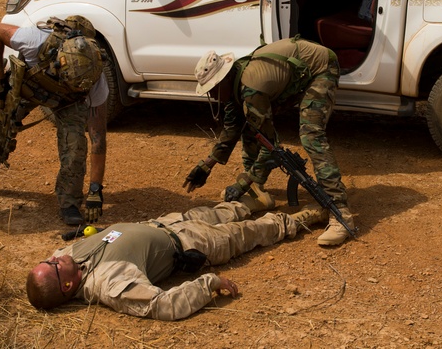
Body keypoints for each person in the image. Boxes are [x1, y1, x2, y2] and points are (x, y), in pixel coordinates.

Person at [183, 38, 356, 247]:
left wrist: (242, 183)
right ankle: (258, 191)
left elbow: (269, 145)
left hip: (320, 67)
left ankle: (340, 212)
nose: (211, 94)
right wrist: (206, 165)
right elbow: (231, 129)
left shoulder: (251, 88)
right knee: (250, 126)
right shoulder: (234, 86)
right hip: (295, 72)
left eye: (213, 88)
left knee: (311, 135)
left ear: (225, 79)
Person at [26, 200, 327, 318]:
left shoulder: (64, 260)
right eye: (52, 266)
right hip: (191, 243)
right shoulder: (108, 283)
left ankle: (252, 201)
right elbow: (163, 305)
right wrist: (209, 283)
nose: (53, 258)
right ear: (67, 285)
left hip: (167, 222)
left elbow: (51, 268)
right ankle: (297, 222)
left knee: (224, 210)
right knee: (247, 233)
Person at [0, 16, 109, 226]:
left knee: (75, 145)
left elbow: (97, 139)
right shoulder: (35, 41)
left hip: (67, 102)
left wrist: (95, 190)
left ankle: (69, 202)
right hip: (28, 87)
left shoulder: (95, 77)